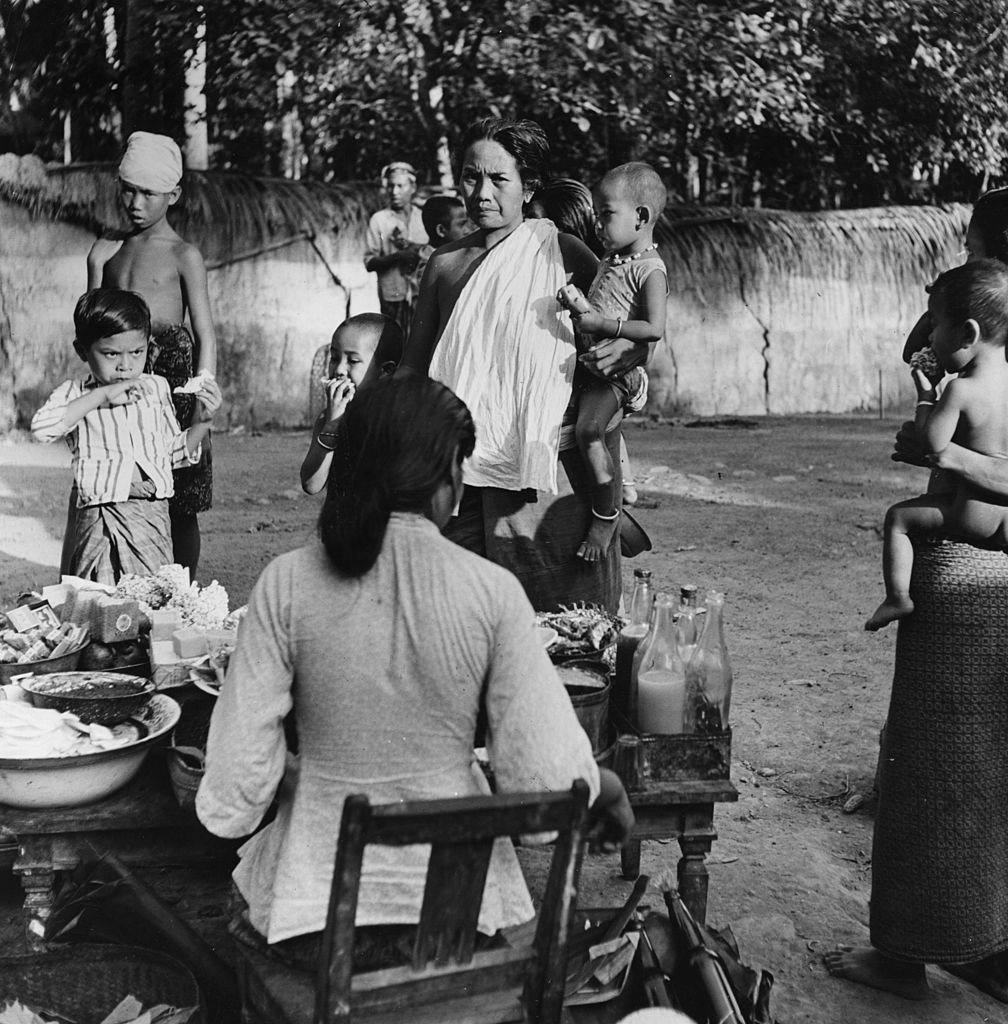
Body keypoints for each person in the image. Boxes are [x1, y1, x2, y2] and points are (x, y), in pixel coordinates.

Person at [196, 375, 633, 971]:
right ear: (447, 481)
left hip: (311, 931)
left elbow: (231, 798)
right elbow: (548, 787)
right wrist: (605, 787)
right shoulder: (492, 593)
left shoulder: (286, 583)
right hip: (457, 929)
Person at [828, 190, 1008, 1003]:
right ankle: (959, 941)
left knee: (941, 776)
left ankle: (921, 948)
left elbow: (931, 442)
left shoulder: (973, 377)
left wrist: (948, 448)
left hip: (968, 578)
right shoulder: (986, 351)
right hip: (986, 570)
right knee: (962, 771)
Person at [401, 117, 648, 612]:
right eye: (472, 177)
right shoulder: (444, 265)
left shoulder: (564, 252)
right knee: (462, 621)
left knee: (569, 631)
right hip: (460, 471)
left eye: (499, 180)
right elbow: (415, 367)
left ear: (529, 185)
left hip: (544, 470)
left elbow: (618, 329)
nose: (482, 193)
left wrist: (630, 363)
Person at [87, 131, 217, 578]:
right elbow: (93, 330)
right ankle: (131, 589)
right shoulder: (111, 254)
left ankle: (183, 596)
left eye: (148, 193)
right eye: (128, 189)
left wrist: (202, 391)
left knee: (181, 499)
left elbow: (204, 332)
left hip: (177, 388)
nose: (134, 202)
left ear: (173, 195)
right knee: (125, 489)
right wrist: (93, 267)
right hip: (125, 391)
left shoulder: (184, 254)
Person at [31, 289, 220, 585]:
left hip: (150, 515)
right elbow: (43, 428)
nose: (125, 365)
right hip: (99, 515)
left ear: (149, 349)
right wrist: (102, 394)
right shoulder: (76, 394)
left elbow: (171, 455)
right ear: (82, 351)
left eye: (137, 352)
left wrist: (202, 423)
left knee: (149, 602)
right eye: (111, 354)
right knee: (97, 604)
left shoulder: (156, 388)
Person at [866, 260, 1008, 631]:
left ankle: (897, 597)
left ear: (967, 333)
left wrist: (926, 396)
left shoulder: (962, 389)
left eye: (936, 326)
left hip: (970, 514)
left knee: (898, 518)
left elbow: (933, 443)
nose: (929, 338)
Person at [557, 163, 667, 560]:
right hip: (595, 365)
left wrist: (603, 323)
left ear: (641, 217)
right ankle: (619, 503)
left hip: (618, 374)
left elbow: (654, 328)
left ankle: (606, 516)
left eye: (606, 214)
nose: (598, 224)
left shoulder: (650, 270)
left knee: (588, 430)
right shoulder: (612, 258)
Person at [528, 177, 642, 507]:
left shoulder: (587, 264)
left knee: (592, 428)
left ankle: (612, 505)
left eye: (541, 222)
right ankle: (620, 490)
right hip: (587, 367)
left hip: (602, 368)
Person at [300, 313, 403, 494]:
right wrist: (331, 426)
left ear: (385, 370)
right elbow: (311, 485)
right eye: (334, 358)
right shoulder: (328, 419)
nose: (339, 369)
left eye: (353, 361)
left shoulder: (397, 421)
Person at [363, 161, 428, 341]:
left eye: (400, 186)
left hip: (421, 296)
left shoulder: (423, 218)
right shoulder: (379, 220)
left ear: (412, 187)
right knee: (394, 342)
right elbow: (369, 262)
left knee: (419, 344)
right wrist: (397, 257)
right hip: (392, 295)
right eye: (391, 186)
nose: (394, 192)